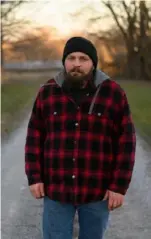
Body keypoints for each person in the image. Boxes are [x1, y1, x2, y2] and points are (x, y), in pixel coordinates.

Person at [25, 36, 136, 239]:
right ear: (64, 62)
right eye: (71, 58)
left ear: (93, 63)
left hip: (97, 191)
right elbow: (34, 136)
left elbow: (126, 143)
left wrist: (119, 187)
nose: (76, 64)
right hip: (56, 190)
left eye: (83, 58)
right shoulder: (47, 92)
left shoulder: (114, 94)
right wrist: (35, 177)